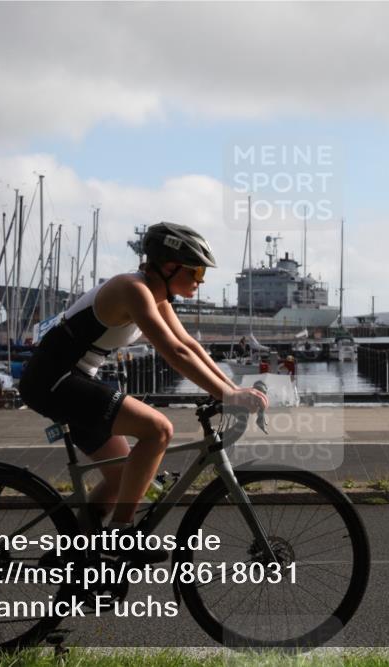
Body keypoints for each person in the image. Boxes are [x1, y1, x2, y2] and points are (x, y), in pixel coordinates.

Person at [18, 222, 267, 561]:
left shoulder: (156, 293)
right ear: (168, 267)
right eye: (195, 272)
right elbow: (173, 353)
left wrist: (231, 388)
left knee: (123, 478)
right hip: (55, 380)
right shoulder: (132, 290)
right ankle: (122, 535)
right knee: (158, 429)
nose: (200, 281)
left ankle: (74, 556)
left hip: (72, 378)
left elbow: (188, 344)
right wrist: (228, 397)